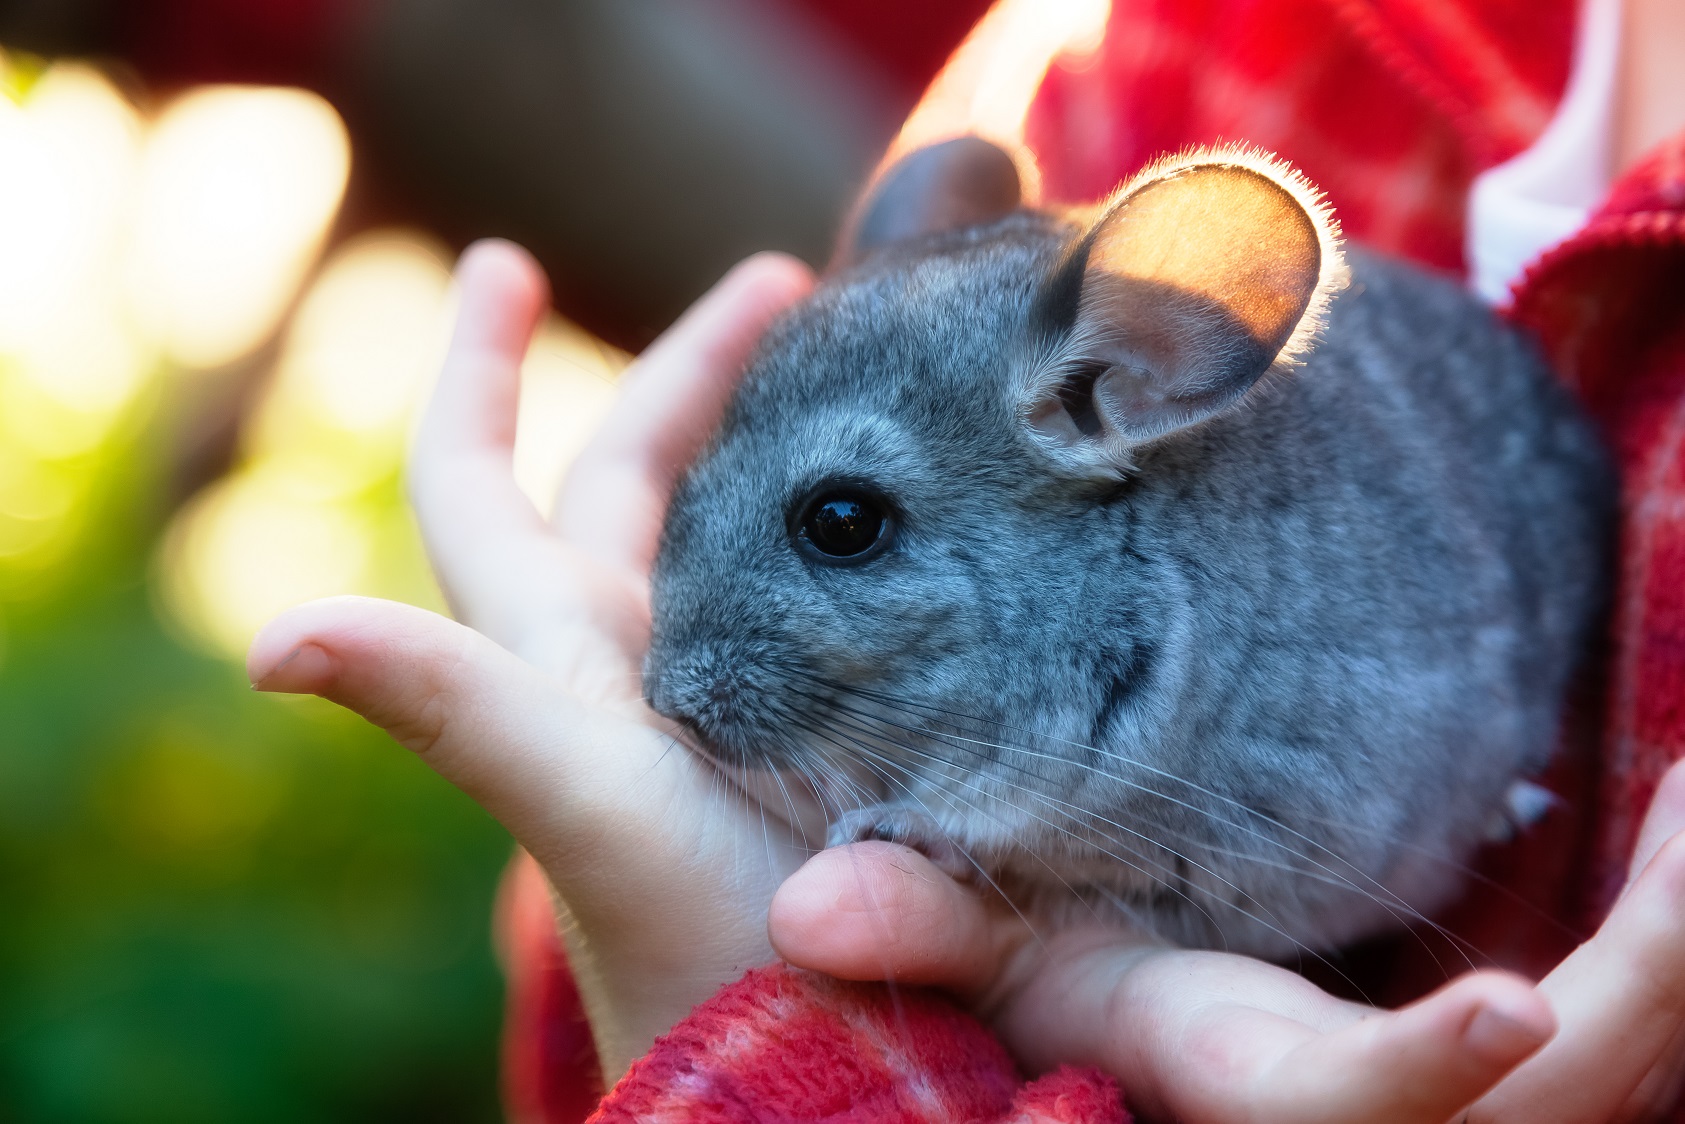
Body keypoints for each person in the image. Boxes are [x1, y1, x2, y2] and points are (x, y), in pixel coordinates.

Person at [247, 0, 1685, 1119]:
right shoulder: (1139, 47)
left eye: (844, 526)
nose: (678, 689)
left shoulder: (1271, 651)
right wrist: (678, 935)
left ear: (1111, 402)